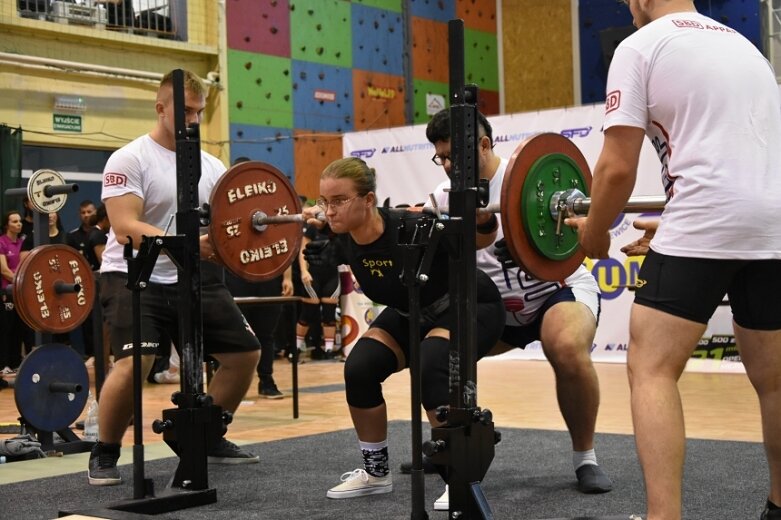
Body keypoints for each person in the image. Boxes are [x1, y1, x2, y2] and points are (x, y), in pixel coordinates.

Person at [564, 2, 781, 519]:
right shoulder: (744, 45)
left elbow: (615, 170)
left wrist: (594, 236)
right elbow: (741, 157)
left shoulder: (640, 46)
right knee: (774, 380)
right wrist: (679, 226)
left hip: (705, 217)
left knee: (652, 368)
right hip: (771, 222)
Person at [424, 108, 612, 501]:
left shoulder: (529, 177)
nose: (447, 165)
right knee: (438, 355)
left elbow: (587, 224)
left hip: (555, 291)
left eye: (453, 156)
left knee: (565, 348)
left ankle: (586, 459)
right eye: (441, 157)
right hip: (497, 309)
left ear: (485, 144)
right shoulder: (442, 199)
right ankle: (455, 447)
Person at [88, 69, 261, 486]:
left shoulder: (212, 165)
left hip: (194, 274)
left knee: (244, 354)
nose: (194, 120)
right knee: (136, 364)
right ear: (161, 108)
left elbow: (227, 225)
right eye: (185, 111)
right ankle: (105, 451)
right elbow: (125, 226)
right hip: (134, 274)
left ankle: (204, 436)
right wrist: (186, 241)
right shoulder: (130, 158)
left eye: (199, 112)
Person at [300, 157, 505, 501]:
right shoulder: (341, 238)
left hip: (467, 304)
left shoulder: (412, 227)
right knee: (360, 368)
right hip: (410, 312)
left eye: (339, 200)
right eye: (324, 201)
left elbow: (478, 238)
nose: (329, 210)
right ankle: (376, 472)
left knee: (430, 367)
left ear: (368, 200)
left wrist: (482, 218)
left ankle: (458, 478)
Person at [297, 220, 341, 360]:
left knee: (329, 314)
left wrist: (354, 275)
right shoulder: (312, 229)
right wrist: (304, 271)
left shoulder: (338, 227)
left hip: (332, 276)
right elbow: (302, 250)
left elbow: (348, 252)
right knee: (307, 313)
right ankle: (296, 348)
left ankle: (328, 350)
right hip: (313, 275)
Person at [66, 200, 99, 361]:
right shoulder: (72, 236)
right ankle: (90, 355)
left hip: (102, 281)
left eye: (89, 211)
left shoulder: (103, 233)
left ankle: (107, 355)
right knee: (86, 319)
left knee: (103, 318)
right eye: (83, 212)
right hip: (80, 283)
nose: (86, 215)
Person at [0, 210, 27, 374]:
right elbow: (4, 270)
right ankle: (3, 364)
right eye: (14, 221)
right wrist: (19, 281)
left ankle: (16, 361)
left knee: (19, 327)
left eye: (20, 221)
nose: (19, 224)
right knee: (6, 328)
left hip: (21, 292)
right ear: (6, 225)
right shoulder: (2, 242)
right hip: (6, 291)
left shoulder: (23, 243)